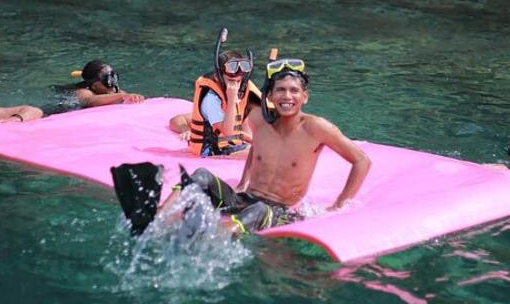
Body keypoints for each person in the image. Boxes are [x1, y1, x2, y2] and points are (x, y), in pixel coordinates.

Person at [114, 57, 372, 235]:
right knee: (201, 176)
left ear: (305, 97)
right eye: (280, 90)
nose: (287, 96)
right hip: (245, 199)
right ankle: (157, 218)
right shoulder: (259, 119)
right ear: (269, 96)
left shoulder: (316, 128)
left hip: (278, 212)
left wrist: (339, 205)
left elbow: (362, 160)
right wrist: (243, 182)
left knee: (259, 210)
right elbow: (257, 151)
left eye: (294, 91)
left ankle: (212, 238)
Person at [179, 29, 261, 156]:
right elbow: (229, 132)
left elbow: (246, 126)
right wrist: (232, 98)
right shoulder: (211, 98)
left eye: (238, 81)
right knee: (260, 154)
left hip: (230, 145)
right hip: (211, 151)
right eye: (230, 80)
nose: (235, 85)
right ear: (218, 77)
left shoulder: (243, 88)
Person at [73, 60, 144, 108]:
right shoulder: (83, 91)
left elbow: (126, 97)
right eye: (108, 80)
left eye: (114, 78)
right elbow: (89, 100)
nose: (113, 85)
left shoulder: (113, 89)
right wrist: (122, 96)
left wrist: (131, 97)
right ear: (94, 85)